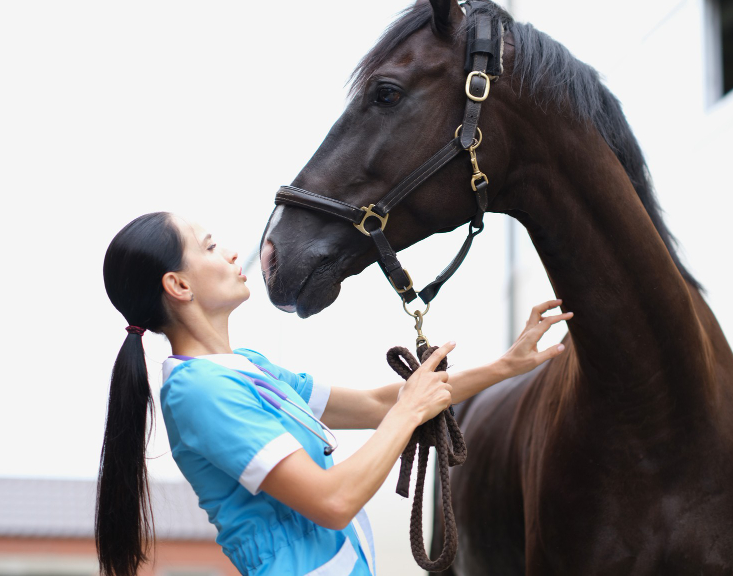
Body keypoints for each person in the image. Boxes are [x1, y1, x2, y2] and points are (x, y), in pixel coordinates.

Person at [96, 212, 573, 576]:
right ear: (178, 285)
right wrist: (409, 412)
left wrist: (506, 366)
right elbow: (332, 500)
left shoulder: (248, 368)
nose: (231, 255)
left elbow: (376, 404)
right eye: (210, 247)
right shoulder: (199, 393)